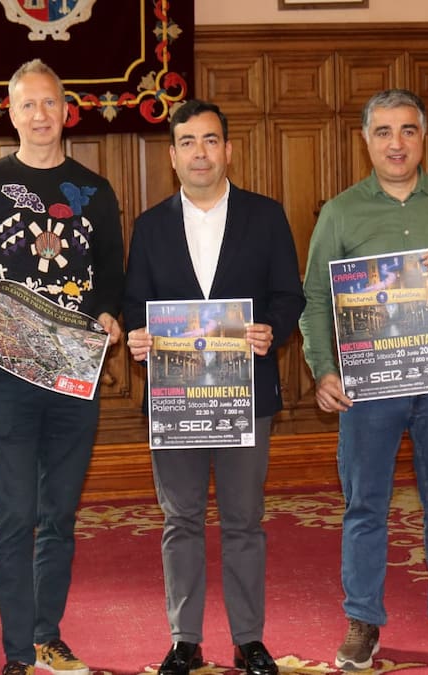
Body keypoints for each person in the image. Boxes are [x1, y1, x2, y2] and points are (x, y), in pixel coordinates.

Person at [297, 88, 428, 670]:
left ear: (423, 137)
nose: (396, 143)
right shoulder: (340, 213)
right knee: (366, 504)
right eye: (384, 131)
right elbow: (315, 298)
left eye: (407, 130)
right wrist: (324, 368)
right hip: (369, 383)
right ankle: (363, 620)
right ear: (365, 140)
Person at [0, 59, 124, 675]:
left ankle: (49, 635)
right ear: (11, 113)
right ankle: (17, 653)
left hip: (76, 375)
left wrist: (109, 315)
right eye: (28, 105)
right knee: (16, 517)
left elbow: (112, 281)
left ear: (66, 111)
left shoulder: (95, 191)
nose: (40, 115)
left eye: (50, 103)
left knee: (60, 516)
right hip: (9, 378)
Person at [124, 100, 305, 675]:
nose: (199, 152)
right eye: (187, 142)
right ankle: (185, 640)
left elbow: (289, 296)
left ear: (228, 150)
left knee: (243, 520)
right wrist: (138, 336)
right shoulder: (149, 226)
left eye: (210, 141)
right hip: (175, 398)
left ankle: (249, 639)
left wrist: (270, 331)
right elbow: (134, 305)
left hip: (245, 394)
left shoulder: (267, 215)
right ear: (172, 155)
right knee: (180, 520)